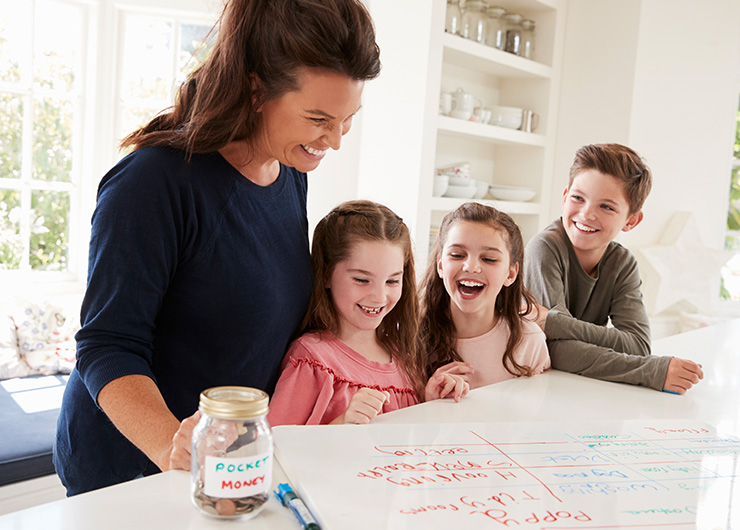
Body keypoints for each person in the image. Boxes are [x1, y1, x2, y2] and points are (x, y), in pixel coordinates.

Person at [54, 0, 381, 495]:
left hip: (231, 462)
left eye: (347, 119)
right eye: (318, 118)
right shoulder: (152, 183)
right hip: (133, 470)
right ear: (255, 89)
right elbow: (106, 346)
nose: (334, 140)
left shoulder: (289, 171)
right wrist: (171, 445)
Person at [267, 201, 469, 426]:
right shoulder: (312, 359)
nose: (379, 297)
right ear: (325, 274)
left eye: (392, 280)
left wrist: (431, 402)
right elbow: (276, 446)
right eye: (362, 280)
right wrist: (342, 423)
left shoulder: (405, 358)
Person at [524, 143, 704, 394]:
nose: (586, 214)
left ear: (631, 220)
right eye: (578, 198)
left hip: (581, 387)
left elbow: (638, 345)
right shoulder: (544, 249)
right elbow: (554, 350)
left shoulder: (622, 263)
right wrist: (650, 371)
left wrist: (556, 323)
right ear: (565, 198)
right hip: (532, 386)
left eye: (606, 206)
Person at [420, 202, 550, 390]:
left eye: (488, 259)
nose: (471, 267)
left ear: (511, 274)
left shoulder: (529, 340)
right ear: (440, 265)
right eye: (457, 255)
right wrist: (428, 397)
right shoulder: (413, 335)